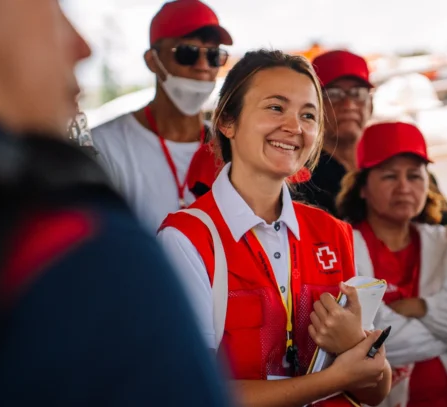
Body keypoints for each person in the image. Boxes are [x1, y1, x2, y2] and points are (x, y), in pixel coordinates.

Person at [0, 1, 231, 406]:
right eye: (51, 9)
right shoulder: (76, 246)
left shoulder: (228, 149)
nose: (82, 46)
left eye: (214, 56)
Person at [157, 49, 392, 407]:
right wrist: (336, 378)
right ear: (227, 121)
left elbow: (375, 390)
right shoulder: (186, 239)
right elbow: (192, 392)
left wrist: (352, 347)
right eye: (275, 107)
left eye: (308, 114)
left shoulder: (333, 232)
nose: (295, 127)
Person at [336, 121, 447, 407]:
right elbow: (359, 345)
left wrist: (424, 307)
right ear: (362, 187)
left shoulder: (445, 243)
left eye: (415, 176)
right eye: (390, 176)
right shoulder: (344, 247)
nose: (404, 187)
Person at [92, 0, 232, 231]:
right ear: (152, 61)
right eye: (187, 52)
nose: (203, 66)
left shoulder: (230, 147)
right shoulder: (105, 146)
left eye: (214, 55)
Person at [293, 50, 447, 225]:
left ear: (370, 105)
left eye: (357, 93)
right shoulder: (302, 179)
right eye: (334, 94)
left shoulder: (402, 161)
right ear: (313, 106)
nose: (348, 104)